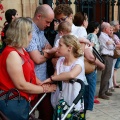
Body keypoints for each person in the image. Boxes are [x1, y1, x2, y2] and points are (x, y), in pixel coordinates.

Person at [0, 17, 56, 119]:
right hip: (13, 102)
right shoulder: (12, 54)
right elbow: (21, 85)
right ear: (24, 34)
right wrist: (44, 89)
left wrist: (40, 83)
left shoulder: (21, 50)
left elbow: (30, 73)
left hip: (20, 101)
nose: (32, 36)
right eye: (31, 33)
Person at [26, 4, 56, 120]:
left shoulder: (40, 30)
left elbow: (50, 47)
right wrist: (47, 53)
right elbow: (37, 59)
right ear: (39, 16)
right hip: (33, 82)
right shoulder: (30, 31)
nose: (49, 25)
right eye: (47, 22)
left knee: (47, 113)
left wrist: (44, 52)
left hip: (43, 79)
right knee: (31, 113)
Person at [42, 34, 85, 113]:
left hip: (73, 99)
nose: (57, 48)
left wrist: (52, 79)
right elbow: (56, 75)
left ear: (69, 48)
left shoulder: (79, 63)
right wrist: (48, 83)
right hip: (60, 98)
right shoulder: (61, 61)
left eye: (60, 45)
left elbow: (71, 75)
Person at [98, 22, 115, 100]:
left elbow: (113, 45)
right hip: (106, 57)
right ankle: (102, 92)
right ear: (105, 29)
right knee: (106, 75)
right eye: (109, 28)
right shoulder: (103, 36)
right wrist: (112, 44)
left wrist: (112, 43)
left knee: (108, 74)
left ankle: (105, 90)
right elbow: (110, 47)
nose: (110, 29)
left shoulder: (107, 36)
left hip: (110, 57)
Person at [110, 20, 120, 89]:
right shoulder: (112, 34)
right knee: (113, 68)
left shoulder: (117, 33)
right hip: (114, 53)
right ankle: (111, 85)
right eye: (118, 24)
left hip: (117, 53)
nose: (119, 25)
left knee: (115, 68)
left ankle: (114, 83)